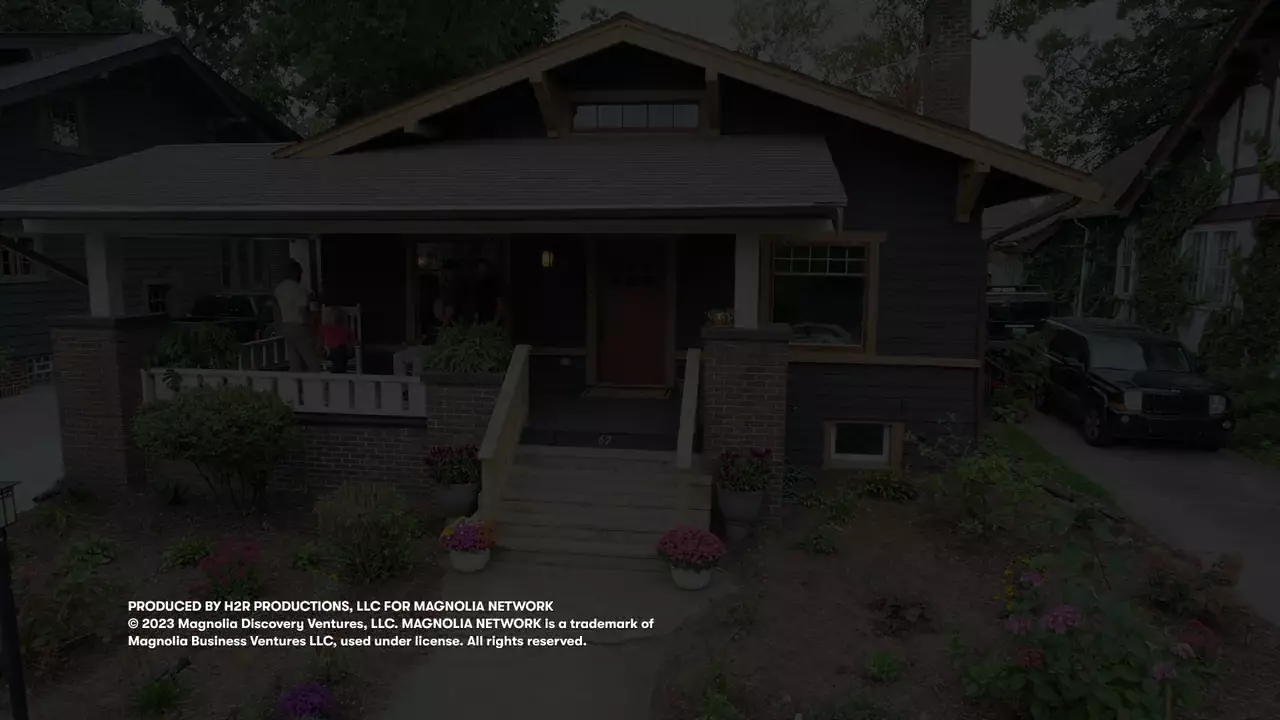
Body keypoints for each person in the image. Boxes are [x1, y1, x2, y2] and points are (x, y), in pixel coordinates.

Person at [274, 260, 322, 372]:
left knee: (294, 359)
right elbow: (302, 311)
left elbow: (277, 309)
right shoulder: (298, 288)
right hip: (299, 327)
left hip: (286, 326)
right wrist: (312, 327)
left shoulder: (279, 288)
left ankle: (296, 381)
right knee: (311, 359)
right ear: (296, 273)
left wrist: (278, 326)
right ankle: (319, 380)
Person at [468, 257, 506, 326]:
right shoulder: (476, 285)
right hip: (480, 323)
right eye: (479, 269)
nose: (481, 271)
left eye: (483, 268)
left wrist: (494, 323)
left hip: (492, 321)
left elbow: (500, 305)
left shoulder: (494, 283)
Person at [320, 306, 356, 374]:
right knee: (337, 352)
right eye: (333, 316)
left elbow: (354, 341)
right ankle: (339, 370)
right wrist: (322, 347)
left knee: (340, 350)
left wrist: (351, 346)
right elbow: (320, 339)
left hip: (344, 352)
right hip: (329, 351)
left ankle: (337, 370)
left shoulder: (346, 330)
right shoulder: (325, 328)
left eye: (338, 316)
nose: (336, 319)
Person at [433, 259, 461, 328]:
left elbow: (451, 304)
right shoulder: (441, 287)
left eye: (447, 273)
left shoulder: (457, 287)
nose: (445, 275)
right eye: (443, 273)